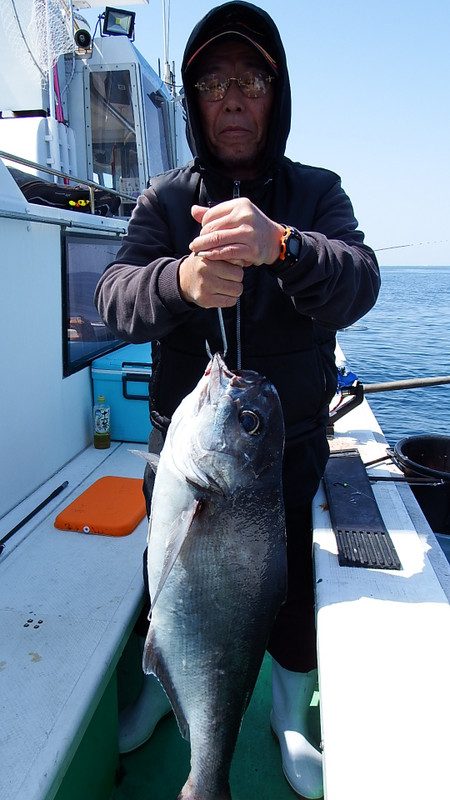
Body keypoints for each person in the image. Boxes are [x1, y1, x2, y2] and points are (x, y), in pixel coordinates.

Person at [95, 2, 380, 797]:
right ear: (192, 98)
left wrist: (281, 245)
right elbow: (114, 295)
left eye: (249, 78)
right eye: (213, 80)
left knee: (284, 596)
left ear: (275, 93)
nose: (231, 96)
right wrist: (180, 281)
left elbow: (360, 280)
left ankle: (289, 716)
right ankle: (164, 695)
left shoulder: (317, 194)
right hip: (183, 454)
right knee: (170, 587)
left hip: (281, 461)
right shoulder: (161, 201)